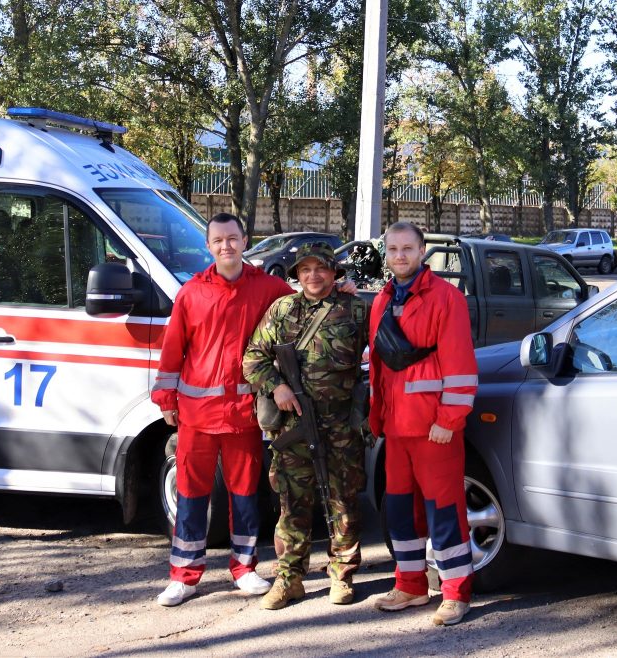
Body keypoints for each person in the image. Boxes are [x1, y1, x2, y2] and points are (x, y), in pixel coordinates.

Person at [150, 213, 295, 607]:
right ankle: (184, 575)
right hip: (197, 415)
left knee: (246, 494)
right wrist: (166, 401)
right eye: (218, 240)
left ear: (245, 241)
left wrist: (343, 288)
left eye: (232, 238)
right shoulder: (192, 293)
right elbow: (172, 350)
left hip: (244, 416)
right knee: (192, 495)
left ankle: (244, 568)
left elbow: (305, 303)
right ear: (208, 246)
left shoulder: (267, 288)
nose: (226, 246)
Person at [242, 242, 369, 610]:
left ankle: (342, 576)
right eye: (306, 270)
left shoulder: (356, 310)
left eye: (321, 269)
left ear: (334, 273)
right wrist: (277, 386)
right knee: (293, 504)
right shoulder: (282, 310)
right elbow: (253, 358)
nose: (313, 276)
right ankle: (289, 579)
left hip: (342, 427)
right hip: (294, 427)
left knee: (343, 502)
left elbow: (381, 352)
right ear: (297, 275)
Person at [368, 221, 478, 626]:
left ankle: (455, 593)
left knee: (444, 511)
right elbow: (380, 367)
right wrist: (377, 418)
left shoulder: (446, 298)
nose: (400, 256)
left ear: (421, 251)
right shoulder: (381, 301)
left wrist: (449, 418)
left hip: (435, 429)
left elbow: (461, 367)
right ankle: (411, 585)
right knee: (400, 512)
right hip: (396, 429)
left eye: (408, 249)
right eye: (393, 249)